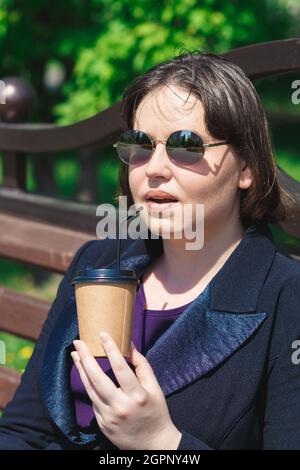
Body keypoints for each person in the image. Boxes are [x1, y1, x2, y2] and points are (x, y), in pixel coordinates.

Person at [1, 50, 300, 450]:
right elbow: (23, 430)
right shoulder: (98, 262)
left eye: (186, 145)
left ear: (246, 168)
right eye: (139, 144)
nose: (153, 168)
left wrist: (161, 441)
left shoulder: (286, 296)